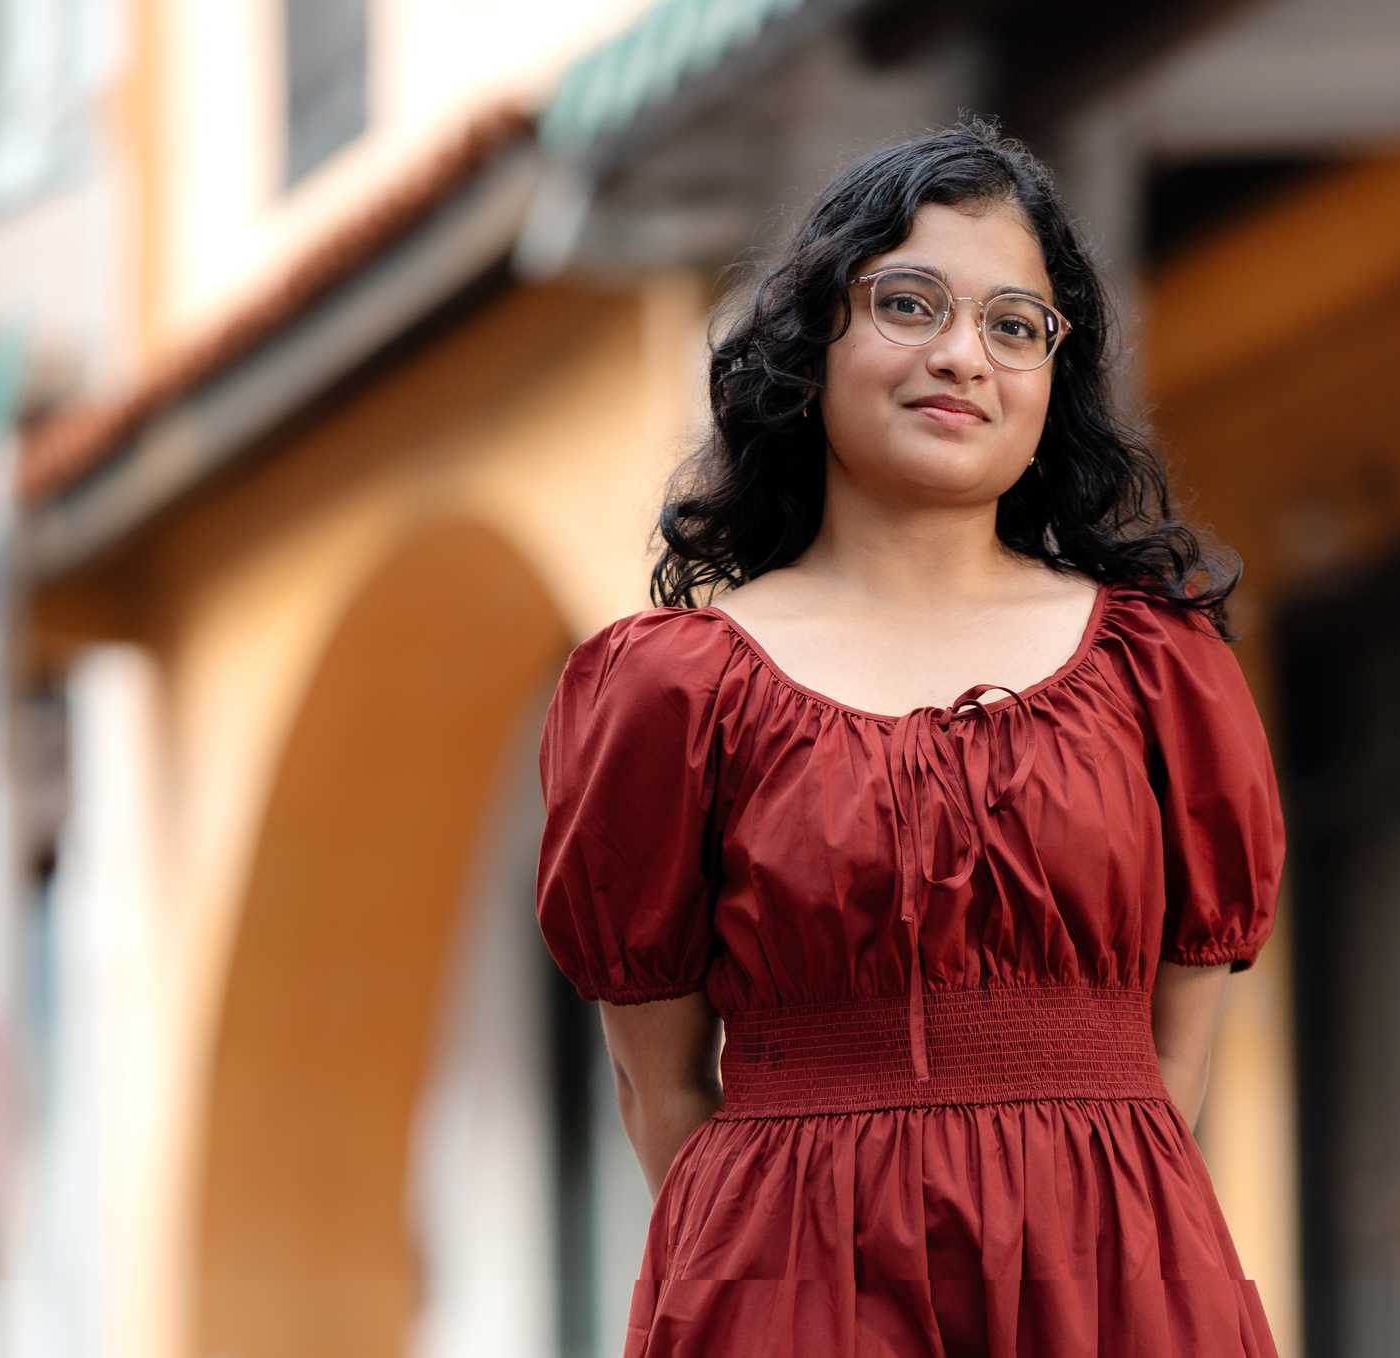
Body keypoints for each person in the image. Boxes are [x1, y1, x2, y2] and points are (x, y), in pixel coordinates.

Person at [535, 114, 1288, 1357]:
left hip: (1111, 1278)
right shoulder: (672, 689)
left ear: (1055, 377)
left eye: (1011, 325)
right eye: (907, 303)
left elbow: (1174, 1067)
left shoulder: (1161, 670)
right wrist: (787, 1251)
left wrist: (1073, 1225)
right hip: (785, 1285)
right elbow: (658, 1084)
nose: (962, 356)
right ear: (812, 342)